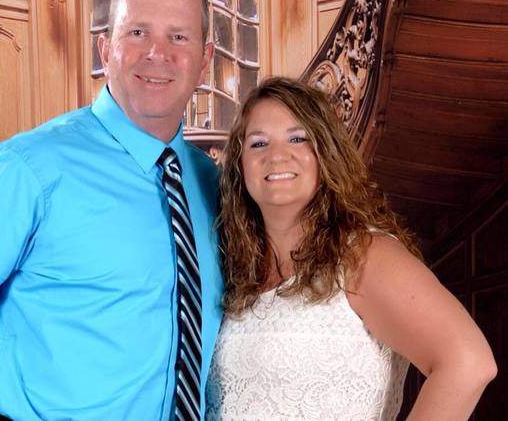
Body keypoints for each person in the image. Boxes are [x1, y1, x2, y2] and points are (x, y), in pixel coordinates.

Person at [0, 0, 223, 420]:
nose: (157, 52)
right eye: (138, 31)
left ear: (204, 61)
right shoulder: (29, 169)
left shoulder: (212, 184)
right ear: (106, 50)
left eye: (179, 37)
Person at [206, 77, 497, 420]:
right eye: (258, 143)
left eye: (298, 138)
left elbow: (469, 362)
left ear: (326, 153)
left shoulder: (363, 254)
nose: (276, 155)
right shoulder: (237, 272)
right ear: (240, 166)